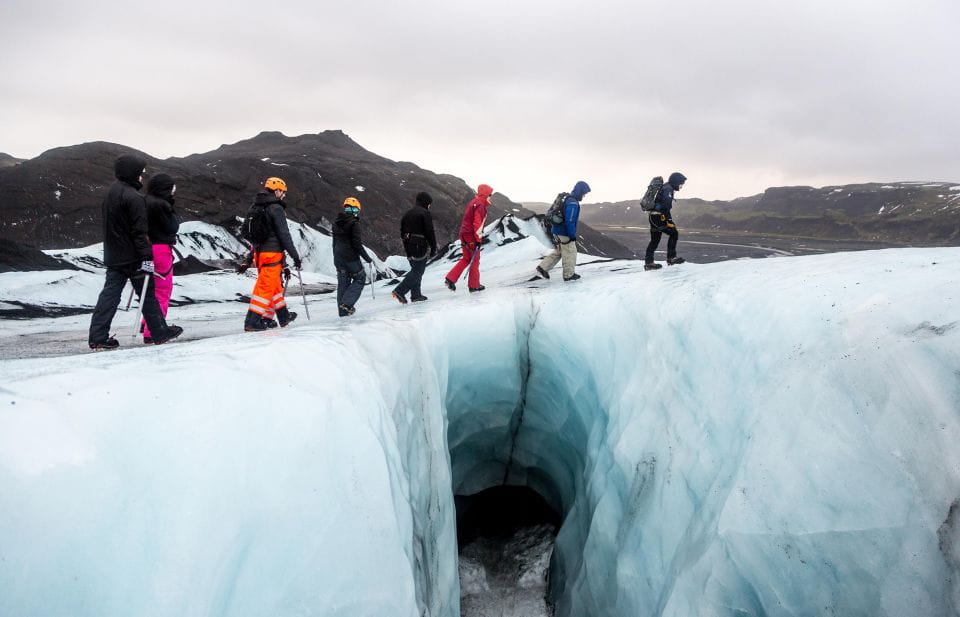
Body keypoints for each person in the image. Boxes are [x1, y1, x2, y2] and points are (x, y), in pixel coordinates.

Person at [88, 155, 183, 349]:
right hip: (133, 257)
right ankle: (159, 332)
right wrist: (146, 257)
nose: (142, 176)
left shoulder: (110, 194)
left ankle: (98, 337)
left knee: (109, 295)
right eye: (140, 173)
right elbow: (139, 232)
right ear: (133, 173)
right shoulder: (134, 197)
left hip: (114, 255)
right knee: (148, 295)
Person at [241, 177, 301, 331]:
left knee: (274, 287)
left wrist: (249, 259)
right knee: (264, 289)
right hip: (272, 254)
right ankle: (252, 322)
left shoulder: (257, 206)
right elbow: (284, 234)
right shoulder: (276, 208)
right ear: (277, 191)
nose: (284, 195)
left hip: (260, 254)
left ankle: (283, 316)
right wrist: (295, 255)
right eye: (283, 192)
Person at [141, 173, 180, 344]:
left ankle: (147, 323)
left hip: (143, 250)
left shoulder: (142, 202)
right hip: (160, 250)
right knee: (162, 290)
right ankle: (155, 330)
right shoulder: (161, 204)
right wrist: (170, 206)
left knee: (149, 289)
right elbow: (172, 227)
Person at [536, 181, 591, 282]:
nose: (584, 196)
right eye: (584, 193)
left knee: (560, 251)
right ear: (580, 191)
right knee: (570, 252)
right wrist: (571, 235)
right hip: (564, 232)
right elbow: (570, 220)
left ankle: (543, 268)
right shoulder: (573, 203)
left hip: (556, 230)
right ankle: (569, 275)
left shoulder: (566, 199)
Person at [444, 184, 493, 292]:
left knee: (466, 258)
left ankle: (450, 278)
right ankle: (474, 285)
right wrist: (478, 239)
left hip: (464, 234)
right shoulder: (480, 205)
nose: (491, 197)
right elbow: (477, 224)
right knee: (475, 261)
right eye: (490, 194)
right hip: (471, 235)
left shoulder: (474, 202)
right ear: (485, 195)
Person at [392, 191, 437, 304]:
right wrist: (433, 247)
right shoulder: (424, 213)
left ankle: (416, 295)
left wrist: (407, 244)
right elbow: (429, 231)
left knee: (416, 269)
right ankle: (400, 291)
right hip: (419, 244)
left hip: (408, 245)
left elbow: (402, 232)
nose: (429, 206)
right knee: (418, 271)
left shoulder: (407, 214)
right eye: (429, 204)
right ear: (425, 202)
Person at [332, 197, 374, 317]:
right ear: (355, 210)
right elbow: (357, 245)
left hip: (338, 257)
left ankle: (342, 311)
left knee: (343, 283)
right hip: (350, 257)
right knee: (360, 278)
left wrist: (335, 258)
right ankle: (347, 304)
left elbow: (334, 243)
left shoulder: (335, 223)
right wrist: (367, 258)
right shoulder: (354, 224)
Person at [644, 172, 687, 270]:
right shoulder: (668, 189)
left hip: (653, 217)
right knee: (674, 233)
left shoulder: (666, 187)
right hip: (659, 217)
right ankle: (671, 258)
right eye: (680, 184)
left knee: (655, 240)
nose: (681, 186)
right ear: (675, 182)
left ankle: (649, 263)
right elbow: (665, 207)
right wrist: (669, 220)